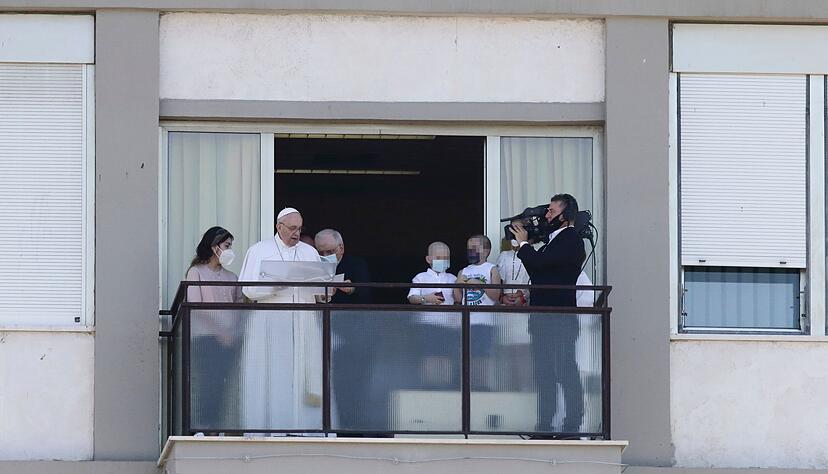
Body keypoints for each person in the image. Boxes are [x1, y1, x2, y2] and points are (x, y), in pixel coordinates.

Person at [237, 207, 323, 431]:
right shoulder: (259, 251)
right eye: (292, 228)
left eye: (299, 229)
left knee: (305, 373)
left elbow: (321, 287)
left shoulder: (309, 252)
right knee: (274, 374)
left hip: (304, 321)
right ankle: (270, 427)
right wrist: (276, 285)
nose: (296, 233)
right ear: (279, 227)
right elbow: (247, 289)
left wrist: (326, 290)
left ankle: (305, 428)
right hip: (271, 323)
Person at [511, 193, 586, 436]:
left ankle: (572, 424)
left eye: (552, 212)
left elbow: (540, 265)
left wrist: (523, 244)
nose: (547, 215)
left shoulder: (571, 239)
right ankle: (545, 425)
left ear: (566, 216)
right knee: (544, 372)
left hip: (560, 317)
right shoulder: (552, 242)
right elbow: (541, 268)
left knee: (565, 370)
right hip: (544, 318)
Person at [314, 229, 376, 433]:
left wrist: (350, 288)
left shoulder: (355, 264)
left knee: (354, 386)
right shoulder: (314, 267)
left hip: (353, 337)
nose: (325, 256)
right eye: (320, 252)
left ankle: (354, 429)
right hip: (322, 335)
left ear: (341, 248)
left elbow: (366, 292)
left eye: (329, 251)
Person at [184, 226, 243, 432]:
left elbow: (239, 307)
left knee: (222, 384)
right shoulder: (196, 272)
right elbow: (196, 307)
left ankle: (216, 428)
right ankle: (202, 426)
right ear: (214, 246)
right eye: (226, 245)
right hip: (206, 338)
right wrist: (221, 332)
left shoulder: (232, 277)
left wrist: (232, 332)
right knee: (207, 382)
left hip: (229, 340)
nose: (229, 250)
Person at [454, 235, 501, 390]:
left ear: (486, 251)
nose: (471, 251)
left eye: (475, 248)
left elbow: (496, 296)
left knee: (481, 354)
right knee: (465, 354)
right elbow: (458, 297)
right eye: (469, 248)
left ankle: (480, 385)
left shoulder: (492, 269)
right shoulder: (464, 271)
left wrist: (479, 284)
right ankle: (466, 384)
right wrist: (458, 285)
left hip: (484, 320)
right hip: (466, 320)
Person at [496, 224, 531, 306]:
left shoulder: (531, 254)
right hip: (505, 301)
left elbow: (533, 282)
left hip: (523, 301)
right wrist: (502, 297)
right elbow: (497, 281)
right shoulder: (504, 255)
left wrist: (523, 297)